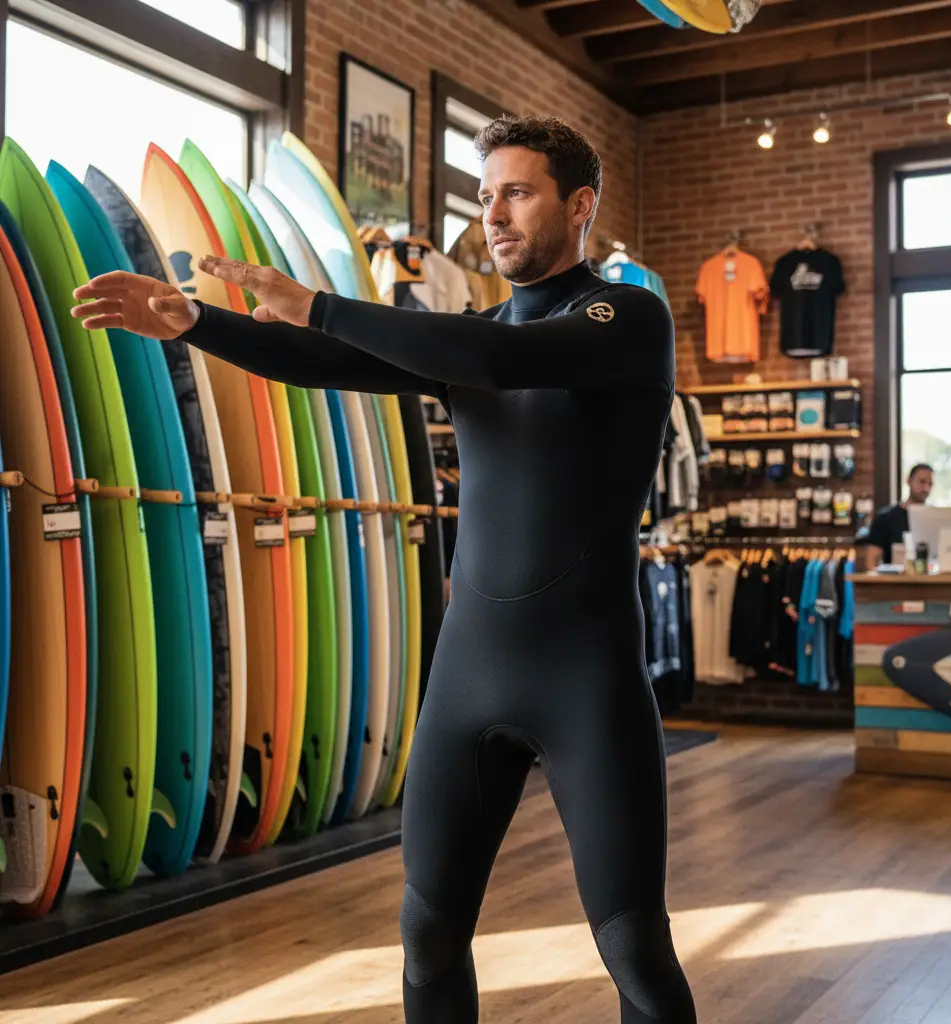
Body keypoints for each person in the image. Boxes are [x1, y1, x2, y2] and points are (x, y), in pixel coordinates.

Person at [71, 115, 696, 1023]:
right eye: (486, 197)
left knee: (633, 947)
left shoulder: (626, 318)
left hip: (587, 681)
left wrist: (319, 303)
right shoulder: (469, 333)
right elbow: (329, 361)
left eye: (518, 194)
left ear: (579, 206)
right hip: (468, 676)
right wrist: (197, 321)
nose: (494, 215)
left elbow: (499, 362)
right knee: (428, 932)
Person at [864, 463, 934, 569]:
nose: (926, 488)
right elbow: (871, 561)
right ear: (909, 481)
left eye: (930, 484)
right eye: (922, 482)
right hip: (893, 578)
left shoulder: (936, 518)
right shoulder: (885, 518)